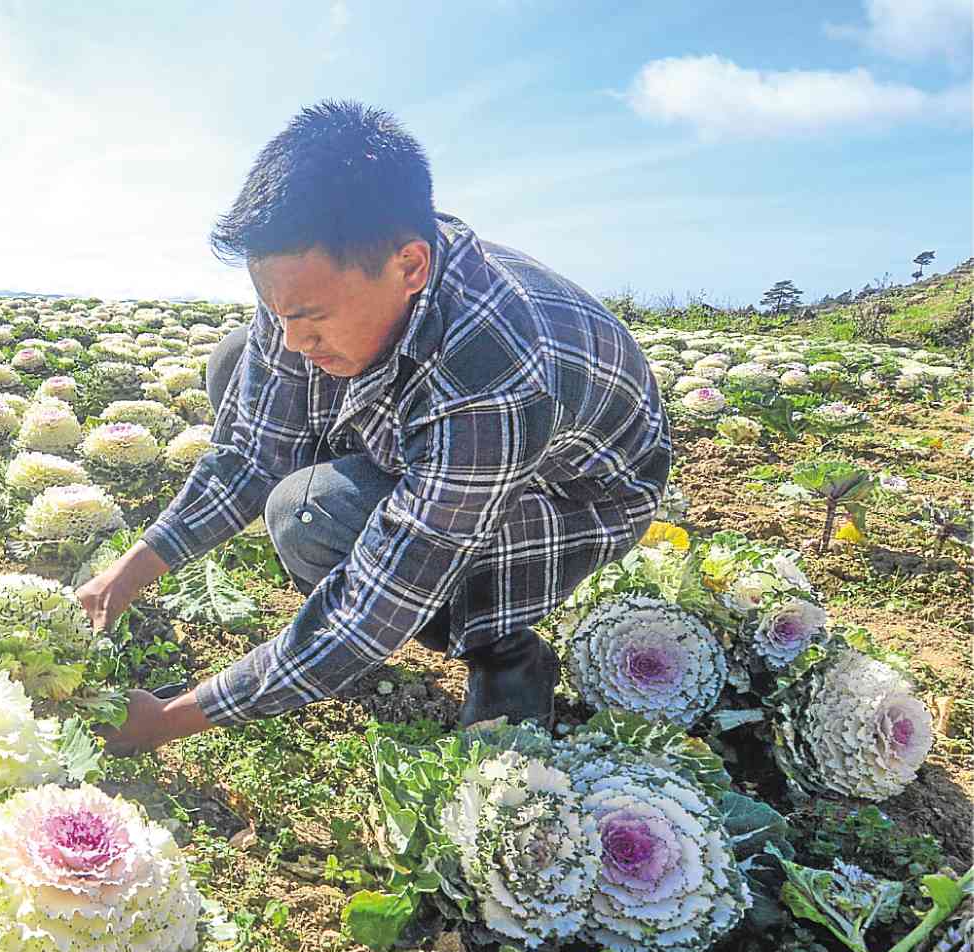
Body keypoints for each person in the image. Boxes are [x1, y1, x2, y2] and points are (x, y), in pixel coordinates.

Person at [78, 100, 671, 756]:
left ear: (411, 266)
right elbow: (251, 452)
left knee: (308, 514)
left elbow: (379, 599)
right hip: (442, 430)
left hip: (569, 494)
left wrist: (167, 719)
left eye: (309, 317)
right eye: (279, 311)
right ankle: (352, 603)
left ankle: (500, 648)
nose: (292, 340)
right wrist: (122, 577)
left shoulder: (495, 374)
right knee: (235, 361)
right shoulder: (323, 278)